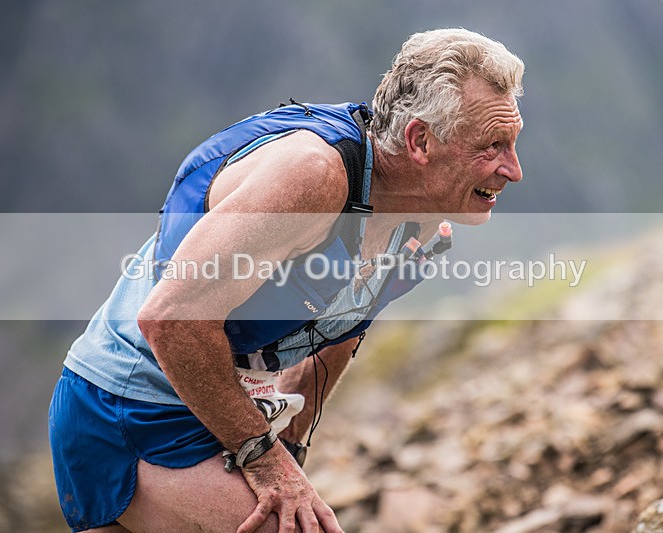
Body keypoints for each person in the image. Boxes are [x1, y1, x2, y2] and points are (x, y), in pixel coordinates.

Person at [48, 27, 524, 533]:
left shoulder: (422, 220)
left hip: (217, 406)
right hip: (125, 409)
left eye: (513, 144)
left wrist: (291, 452)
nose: (513, 170)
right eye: (493, 146)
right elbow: (170, 320)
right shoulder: (313, 178)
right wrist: (267, 462)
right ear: (420, 141)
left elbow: (339, 328)